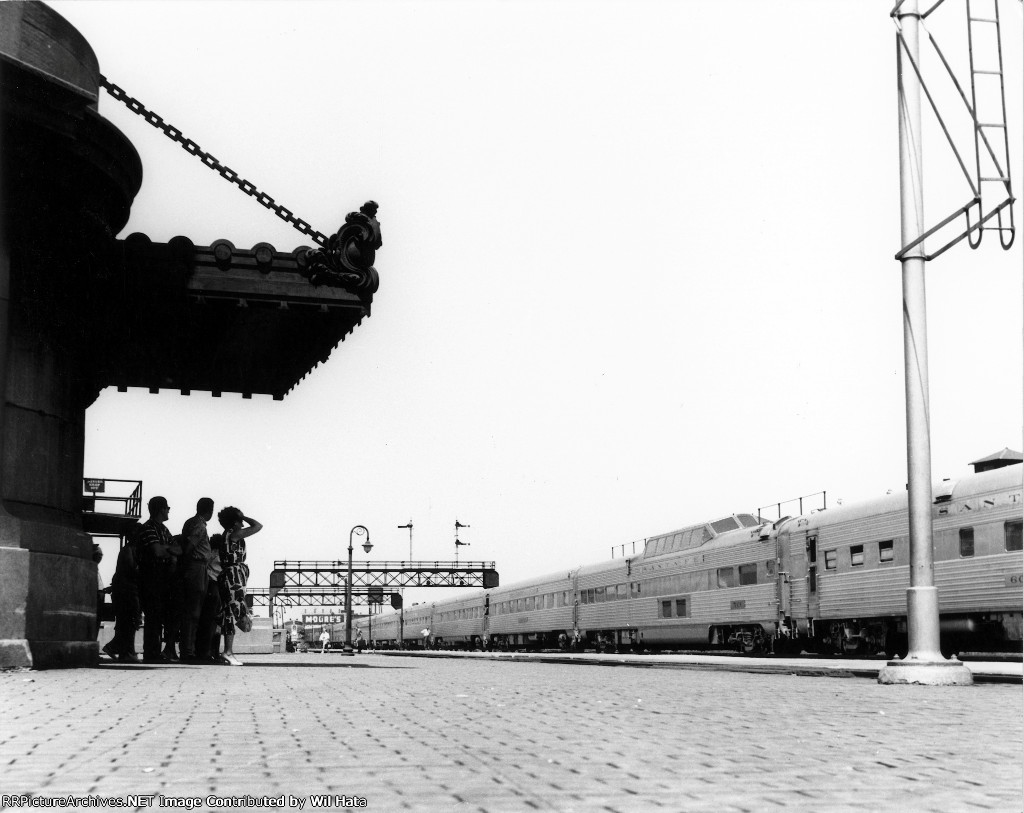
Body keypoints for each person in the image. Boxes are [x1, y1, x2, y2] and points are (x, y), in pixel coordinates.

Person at [137, 496, 180, 663]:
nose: (169, 510)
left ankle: (154, 652)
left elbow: (178, 549)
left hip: (160, 576)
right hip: (151, 576)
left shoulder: (161, 529)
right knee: (154, 616)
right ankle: (151, 654)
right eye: (167, 507)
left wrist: (165, 549)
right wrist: (168, 549)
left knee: (159, 615)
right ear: (161, 509)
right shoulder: (149, 528)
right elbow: (157, 551)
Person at [217, 506, 262, 666]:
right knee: (233, 612)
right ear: (235, 522)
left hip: (231, 576)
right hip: (233, 577)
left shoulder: (227, 535)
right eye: (240, 520)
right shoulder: (233, 534)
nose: (243, 523)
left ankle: (227, 651)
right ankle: (228, 651)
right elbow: (258, 526)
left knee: (229, 613)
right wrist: (245, 516)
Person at [178, 498, 215, 663]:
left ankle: (188, 649)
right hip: (196, 567)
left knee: (191, 610)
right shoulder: (199, 525)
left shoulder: (190, 522)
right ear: (209, 511)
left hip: (195, 567)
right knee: (193, 611)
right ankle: (188, 651)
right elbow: (190, 547)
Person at [103, 536, 142, 662]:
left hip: (127, 590)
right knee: (130, 621)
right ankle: (124, 651)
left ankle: (119, 648)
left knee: (129, 622)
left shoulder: (130, 550)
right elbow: (131, 569)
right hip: (127, 591)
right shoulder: (128, 550)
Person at [196, 532, 224, 663]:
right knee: (214, 622)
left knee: (211, 621)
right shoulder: (217, 554)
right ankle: (211, 652)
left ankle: (208, 652)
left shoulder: (211, 553)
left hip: (212, 585)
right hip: (215, 584)